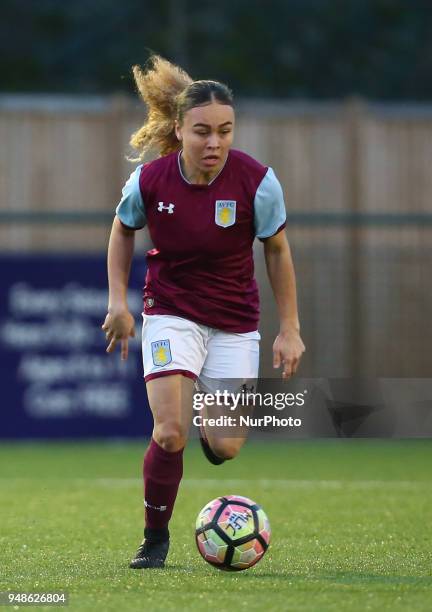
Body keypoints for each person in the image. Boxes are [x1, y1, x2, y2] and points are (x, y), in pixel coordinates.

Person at [102, 55, 305, 569]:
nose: (214, 143)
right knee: (171, 431)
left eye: (225, 131)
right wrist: (117, 303)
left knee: (227, 445)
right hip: (171, 311)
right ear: (179, 129)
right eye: (202, 132)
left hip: (235, 320)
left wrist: (290, 329)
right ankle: (154, 539)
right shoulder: (150, 181)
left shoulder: (257, 182)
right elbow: (123, 230)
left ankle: (207, 423)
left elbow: (277, 251)